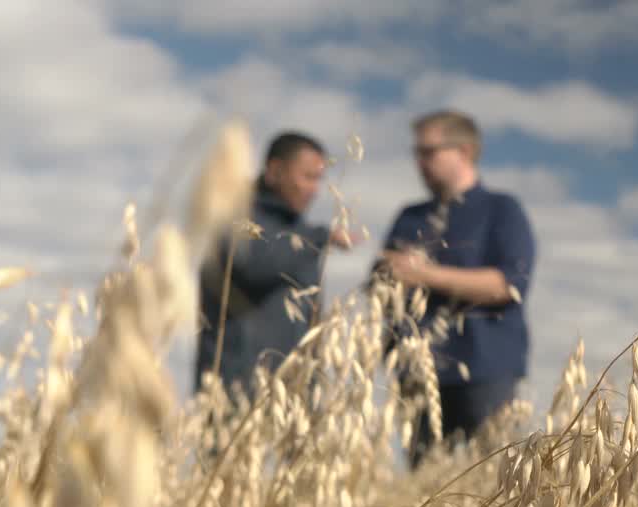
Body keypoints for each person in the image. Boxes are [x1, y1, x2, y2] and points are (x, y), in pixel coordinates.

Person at [371, 110, 536, 460]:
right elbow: (381, 281)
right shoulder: (410, 216)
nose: (419, 161)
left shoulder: (502, 210)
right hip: (414, 372)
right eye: (416, 153)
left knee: (491, 480)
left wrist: (423, 274)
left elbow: (507, 284)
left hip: (484, 371)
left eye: (428, 152)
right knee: (423, 489)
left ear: (464, 150)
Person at [195, 131, 358, 403]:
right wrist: (320, 238)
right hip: (236, 391)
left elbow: (310, 316)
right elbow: (252, 266)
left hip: (293, 396)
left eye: (319, 179)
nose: (315, 189)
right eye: (308, 177)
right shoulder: (236, 214)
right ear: (275, 170)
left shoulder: (300, 233)